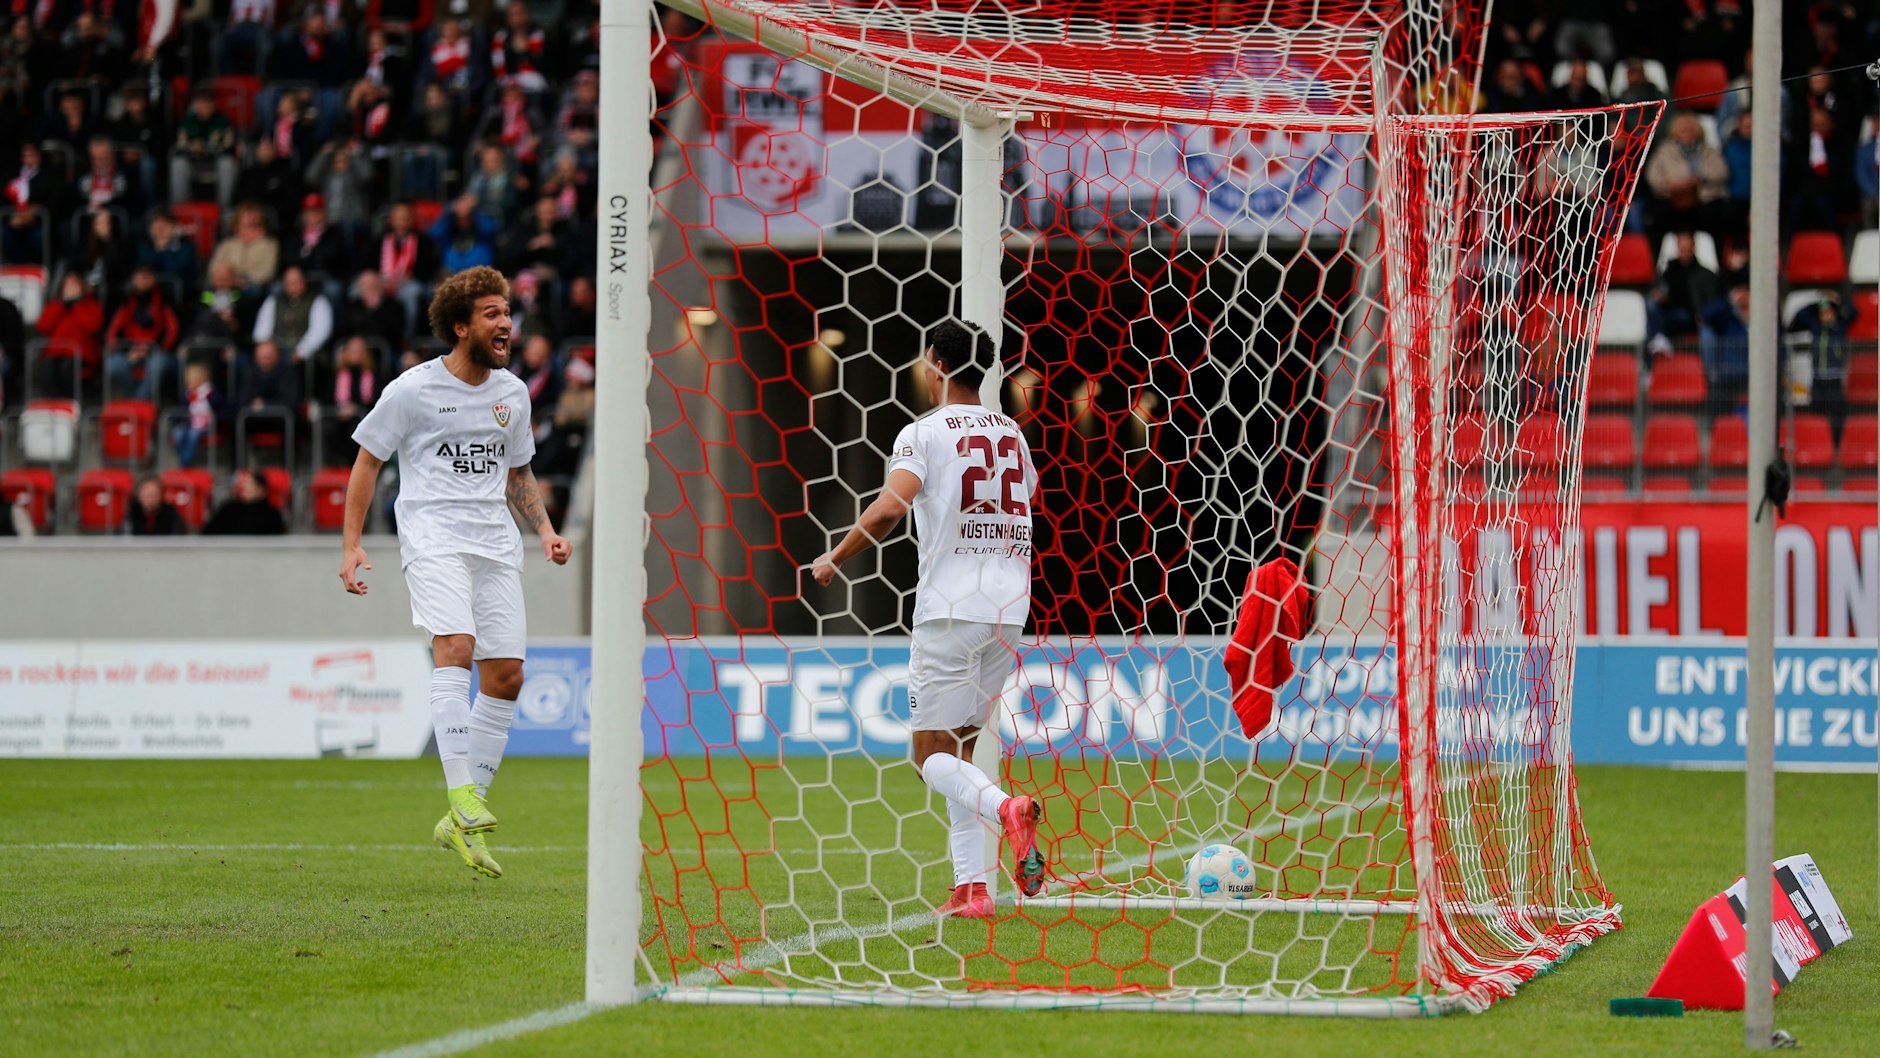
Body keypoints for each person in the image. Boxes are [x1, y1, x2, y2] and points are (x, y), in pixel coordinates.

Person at [340, 265, 572, 879]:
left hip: (496, 544)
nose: (506, 323)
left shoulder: (513, 394)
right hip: (432, 535)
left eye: (508, 312)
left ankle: (461, 817)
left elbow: (519, 475)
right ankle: (461, 795)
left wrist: (546, 532)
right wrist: (352, 544)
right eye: (493, 313)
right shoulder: (411, 390)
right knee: (457, 648)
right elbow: (367, 462)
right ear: (461, 325)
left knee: (506, 677)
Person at [809, 320, 1044, 917]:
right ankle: (973, 889)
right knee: (962, 749)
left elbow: (892, 505)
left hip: (950, 608)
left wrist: (835, 556)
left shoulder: (923, 432)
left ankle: (1005, 810)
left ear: (936, 363)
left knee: (926, 755)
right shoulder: (1013, 433)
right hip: (1009, 609)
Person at [106, 265, 181, 401]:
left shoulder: (165, 300)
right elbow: (113, 333)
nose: (142, 281)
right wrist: (128, 351)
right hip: (131, 352)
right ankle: (138, 403)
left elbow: (173, 332)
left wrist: (151, 350)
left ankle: (136, 405)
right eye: (139, 277)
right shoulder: (125, 302)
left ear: (153, 279)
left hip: (158, 352)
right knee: (113, 365)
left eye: (146, 277)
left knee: (157, 365)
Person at [203, 468, 286, 535]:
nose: (243, 487)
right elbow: (208, 534)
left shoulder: (272, 515)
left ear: (261, 489)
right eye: (243, 483)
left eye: (249, 484)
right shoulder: (228, 510)